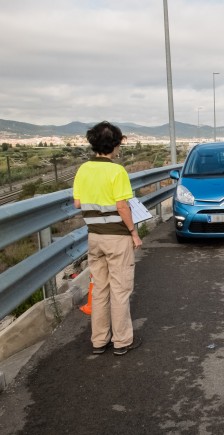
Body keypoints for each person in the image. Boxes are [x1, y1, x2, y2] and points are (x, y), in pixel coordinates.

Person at [73, 121, 143, 356]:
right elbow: (122, 206)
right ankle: (122, 341)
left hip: (95, 237)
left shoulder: (83, 169)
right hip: (117, 238)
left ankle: (99, 340)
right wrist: (134, 232)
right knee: (120, 290)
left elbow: (78, 203)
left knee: (100, 288)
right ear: (115, 144)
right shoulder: (116, 171)